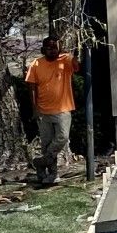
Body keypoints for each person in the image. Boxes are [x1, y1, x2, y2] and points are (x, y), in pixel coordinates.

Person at [24, 37, 76, 186]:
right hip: (42, 111)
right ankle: (50, 175)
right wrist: (35, 108)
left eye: (55, 47)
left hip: (63, 108)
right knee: (46, 143)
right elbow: (32, 87)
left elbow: (77, 65)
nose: (52, 50)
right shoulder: (36, 64)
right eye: (49, 47)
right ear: (43, 49)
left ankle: (41, 161)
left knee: (63, 137)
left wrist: (69, 54)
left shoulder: (65, 61)